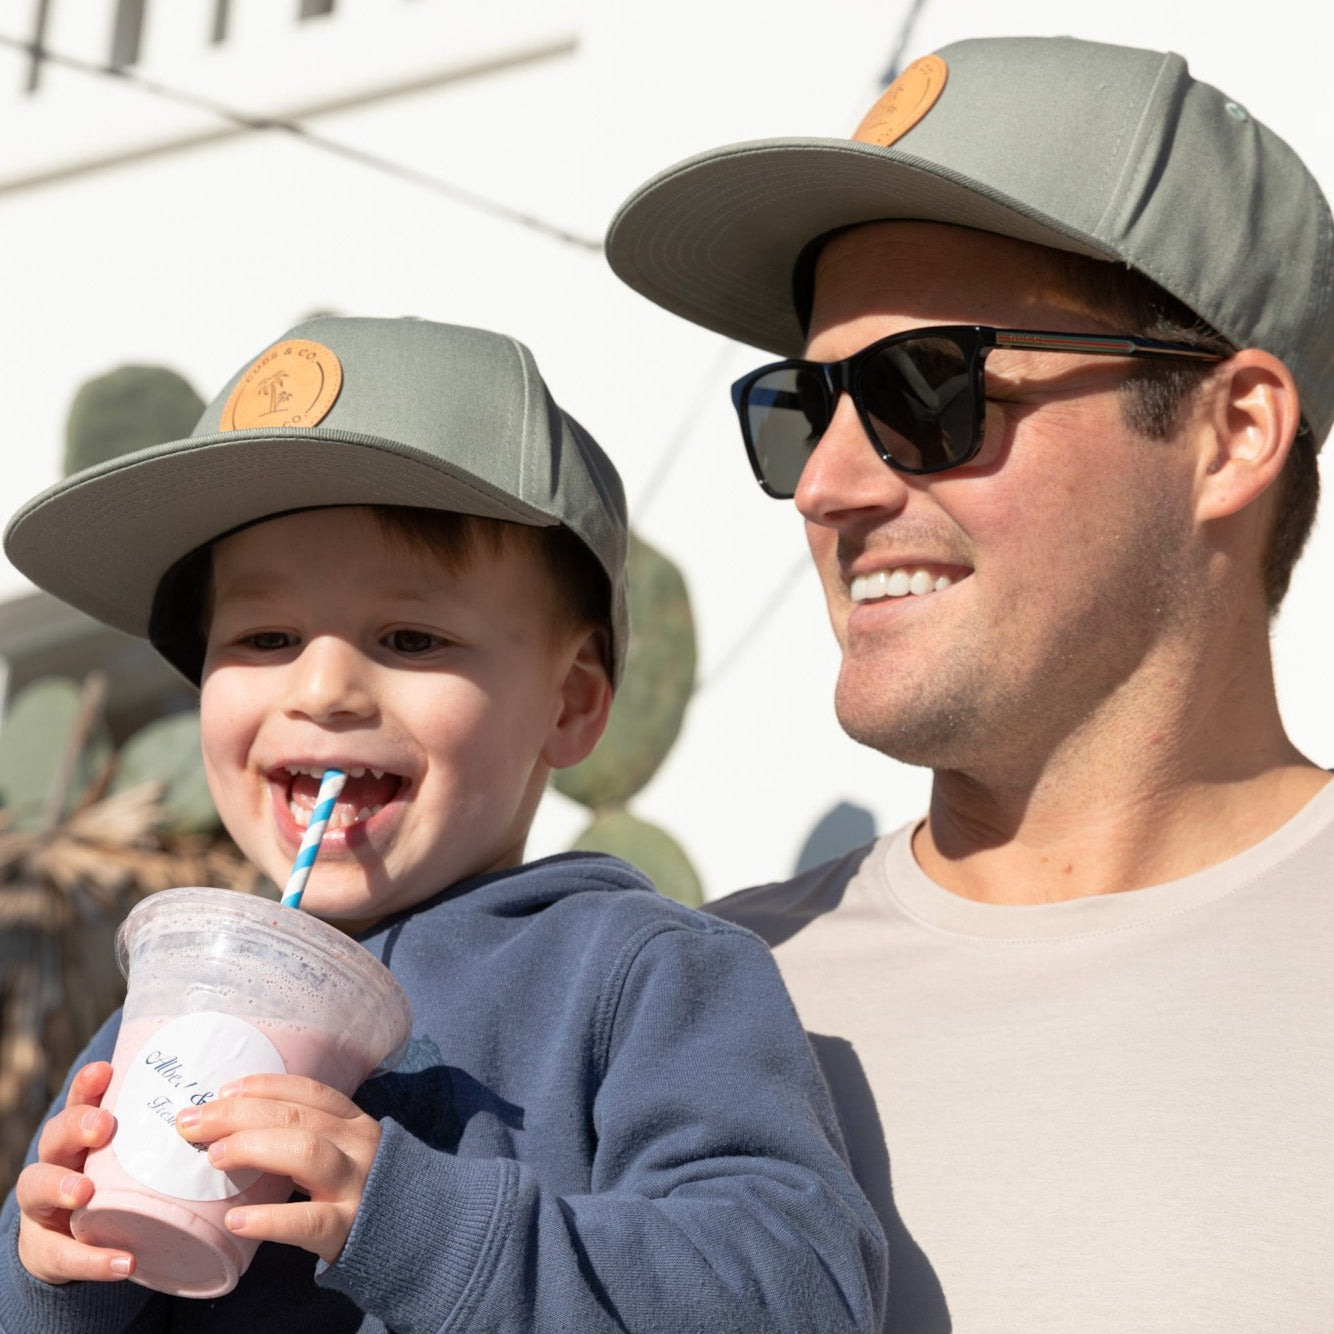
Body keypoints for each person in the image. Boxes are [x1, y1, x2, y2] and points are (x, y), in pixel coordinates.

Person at [606, 33, 1334, 1332]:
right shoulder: (686, 1009)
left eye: (921, 389)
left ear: (1230, 435)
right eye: (802, 402)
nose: (827, 485)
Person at [0, 315, 886, 1332]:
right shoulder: (170, 1007)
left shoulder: (640, 974)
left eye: (409, 634)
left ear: (571, 702)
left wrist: (413, 1222)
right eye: (265, 634)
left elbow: (793, 1292)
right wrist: (57, 1272)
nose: (324, 686)